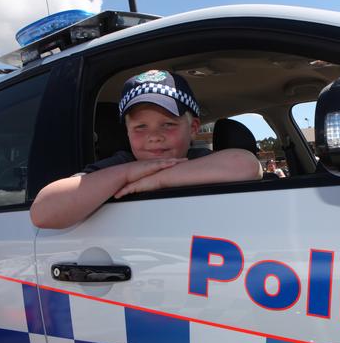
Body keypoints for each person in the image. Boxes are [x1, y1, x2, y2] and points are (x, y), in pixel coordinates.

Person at [30, 70, 262, 229]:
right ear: (127, 133)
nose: (154, 137)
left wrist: (157, 180)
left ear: (192, 128)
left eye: (168, 124)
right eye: (140, 127)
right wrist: (128, 173)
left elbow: (247, 165)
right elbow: (43, 212)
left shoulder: (198, 160)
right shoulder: (119, 165)